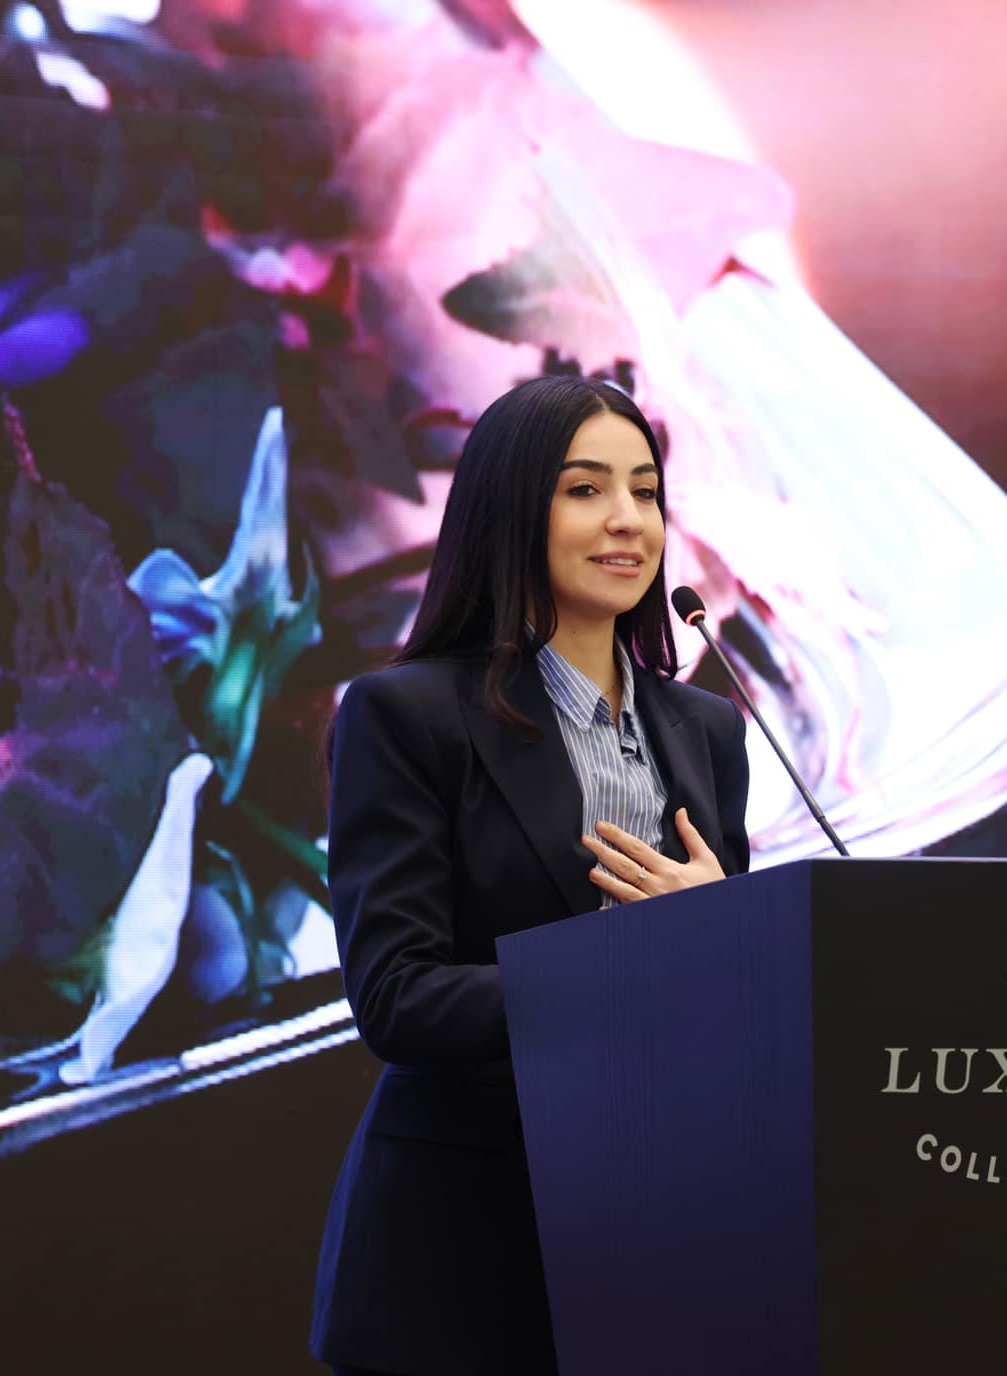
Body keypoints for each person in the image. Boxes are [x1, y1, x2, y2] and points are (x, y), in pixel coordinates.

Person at [310, 375, 752, 1375]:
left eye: (645, 490)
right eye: (585, 489)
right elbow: (396, 996)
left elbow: (729, 1004)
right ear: (511, 511)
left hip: (668, 1237)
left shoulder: (710, 728)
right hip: (464, 1256)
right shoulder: (406, 714)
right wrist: (633, 965)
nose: (628, 518)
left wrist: (733, 937)